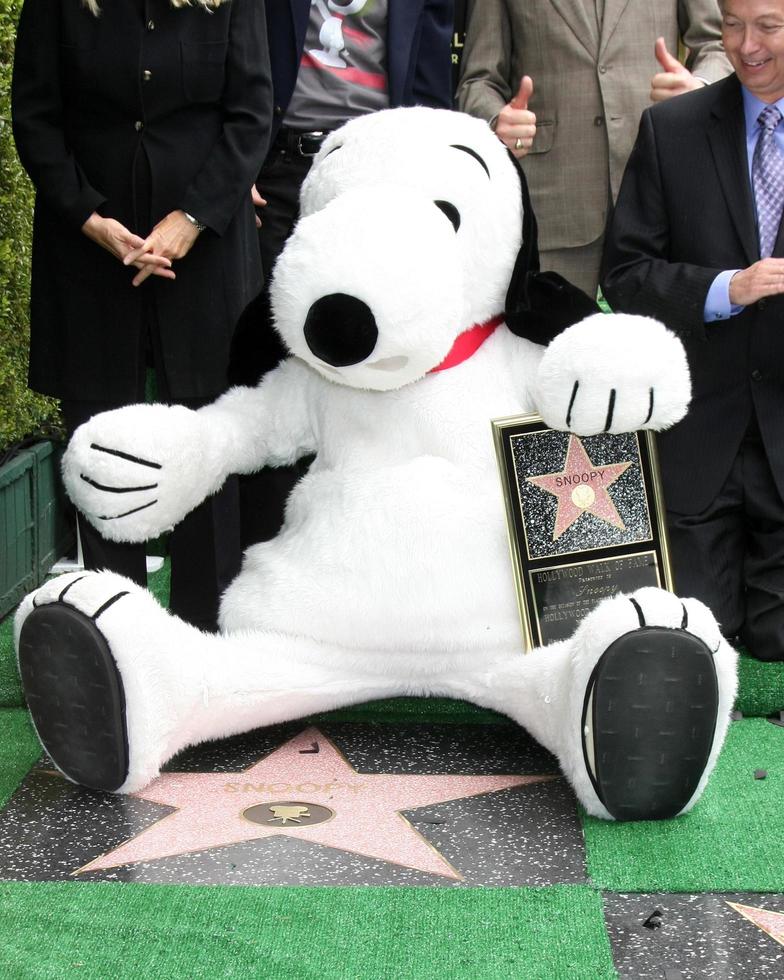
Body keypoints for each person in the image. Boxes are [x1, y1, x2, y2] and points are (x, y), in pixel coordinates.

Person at [12, 0, 272, 631]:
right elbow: (36, 116)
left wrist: (193, 217)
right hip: (90, 257)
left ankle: (208, 634)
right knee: (101, 442)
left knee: (207, 435)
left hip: (204, 255)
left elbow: (250, 115)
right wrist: (88, 215)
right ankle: (113, 639)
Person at [229, 0, 455, 547]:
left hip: (381, 175)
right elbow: (237, 52)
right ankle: (266, 547)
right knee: (266, 355)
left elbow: (429, 84)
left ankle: (373, 541)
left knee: (380, 358)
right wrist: (240, 167)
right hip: (278, 168)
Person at [601, 0, 784, 662]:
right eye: (733, 24)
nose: (746, 44)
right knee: (695, 645)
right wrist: (723, 289)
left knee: (775, 650)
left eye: (768, 26)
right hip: (699, 445)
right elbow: (623, 275)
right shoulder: (670, 130)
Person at [456, 0, 731, 297]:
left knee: (658, 340)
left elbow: (718, 43)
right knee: (550, 341)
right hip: (555, 207)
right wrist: (498, 120)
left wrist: (699, 90)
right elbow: (479, 81)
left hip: (658, 193)